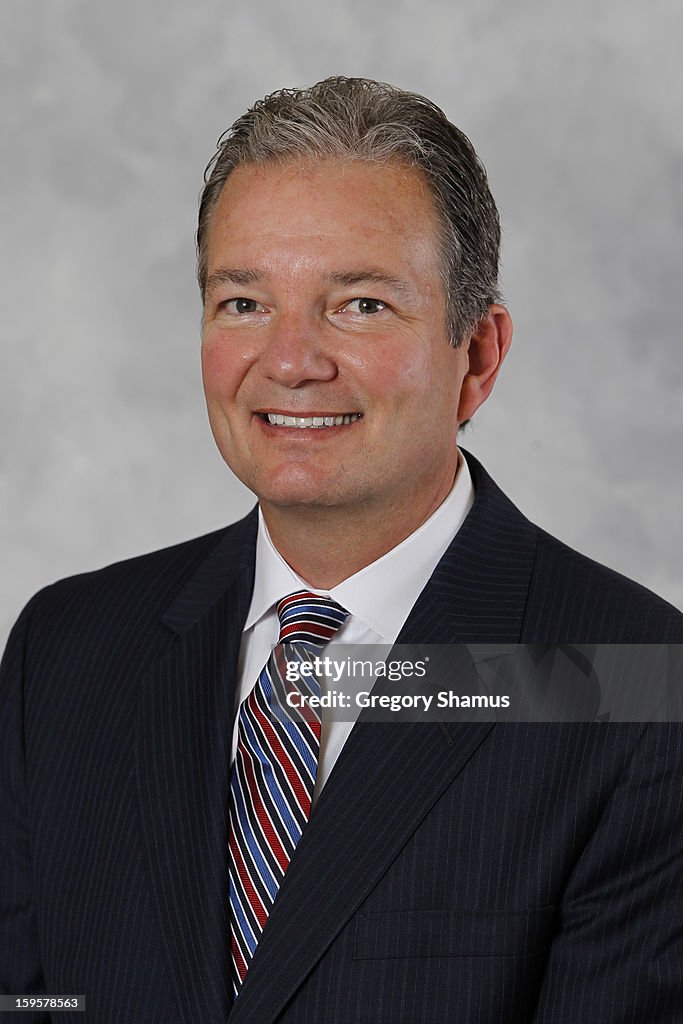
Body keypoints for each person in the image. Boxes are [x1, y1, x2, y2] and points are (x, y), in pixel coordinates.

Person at [1, 76, 681, 1024]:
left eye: (359, 305)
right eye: (242, 302)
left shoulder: (630, 684)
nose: (289, 360)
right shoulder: (64, 651)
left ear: (476, 357)